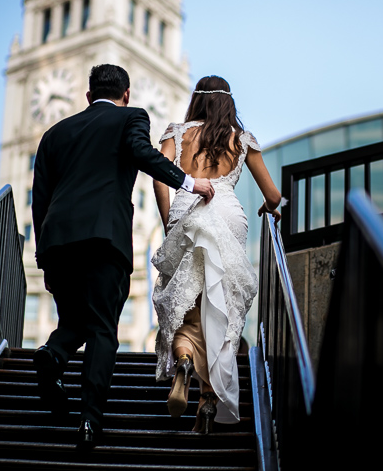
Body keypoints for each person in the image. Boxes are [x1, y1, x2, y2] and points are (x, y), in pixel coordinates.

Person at [31, 64, 214, 449]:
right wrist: (189, 182)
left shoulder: (54, 134)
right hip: (104, 239)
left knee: (77, 321)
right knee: (101, 328)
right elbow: (142, 153)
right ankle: (88, 421)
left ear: (87, 95)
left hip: (58, 242)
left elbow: (40, 199)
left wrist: (43, 256)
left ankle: (53, 352)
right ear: (126, 94)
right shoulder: (132, 117)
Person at [151, 75, 281, 434]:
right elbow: (272, 195)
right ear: (228, 102)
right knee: (219, 308)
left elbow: (158, 177)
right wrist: (273, 209)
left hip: (187, 210)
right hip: (227, 215)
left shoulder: (177, 134)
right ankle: (208, 400)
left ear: (197, 100)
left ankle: (185, 360)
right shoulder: (242, 140)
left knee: (187, 307)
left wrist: (168, 221)